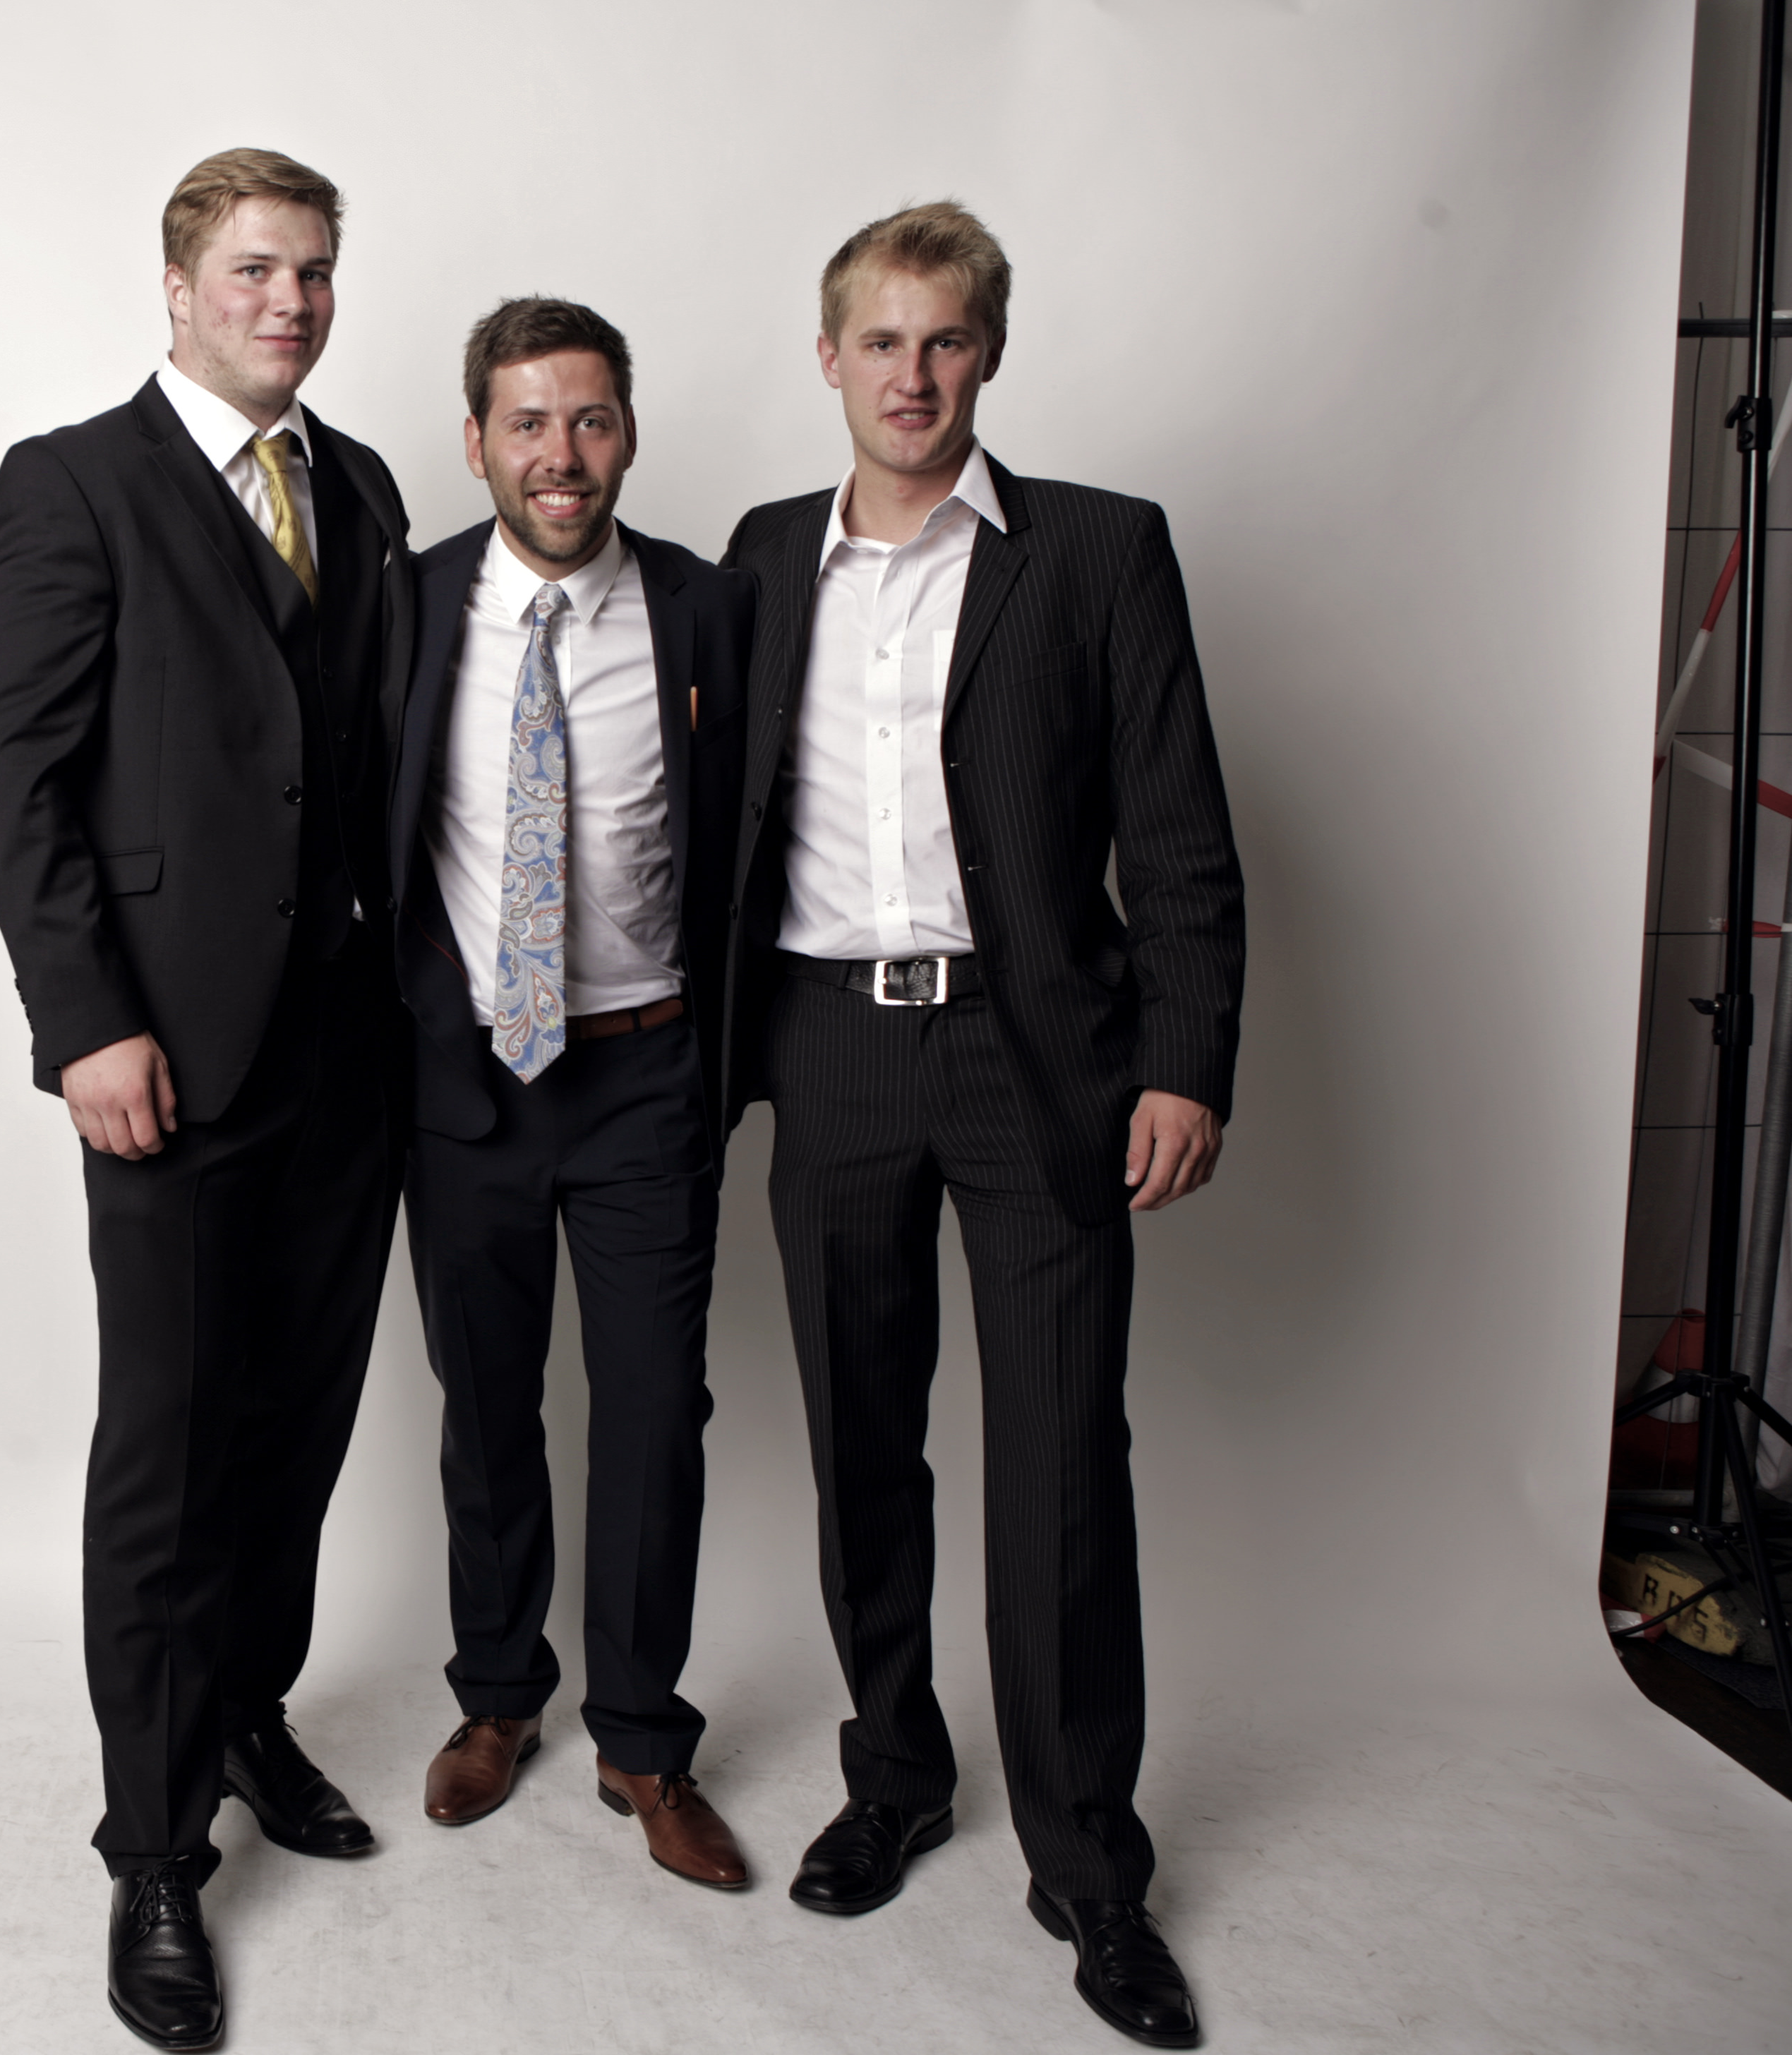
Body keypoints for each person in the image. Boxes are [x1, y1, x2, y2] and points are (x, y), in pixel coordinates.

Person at [717, 203, 1243, 2049]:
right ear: (831, 357)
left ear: (988, 356)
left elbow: (1177, 831)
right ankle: (895, 1774)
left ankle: (1089, 1859)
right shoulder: (760, 560)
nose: (914, 374)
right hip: (831, 1050)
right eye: (882, 340)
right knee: (863, 1444)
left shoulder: (1098, 551)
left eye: (945, 340)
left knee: (1060, 1460)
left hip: (1040, 1063)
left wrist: (1185, 1060)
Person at [0, 147, 410, 2054]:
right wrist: (87, 1026)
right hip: (165, 1060)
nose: (289, 302)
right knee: (167, 1447)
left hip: (350, 1056)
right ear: (177, 286)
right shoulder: (72, 483)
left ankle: (244, 1711)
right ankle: (151, 1847)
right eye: (253, 270)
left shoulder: (360, 486)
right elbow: (17, 773)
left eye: (313, 272)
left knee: (297, 1427)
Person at [387, 299, 757, 1890]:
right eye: (528, 422)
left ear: (627, 435)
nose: (561, 454)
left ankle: (642, 1739)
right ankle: (496, 1696)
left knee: (655, 1413)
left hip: (643, 1077)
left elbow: (757, 833)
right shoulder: (406, 606)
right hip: (465, 1080)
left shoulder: (705, 608)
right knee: (486, 1409)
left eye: (589, 419)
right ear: (475, 440)